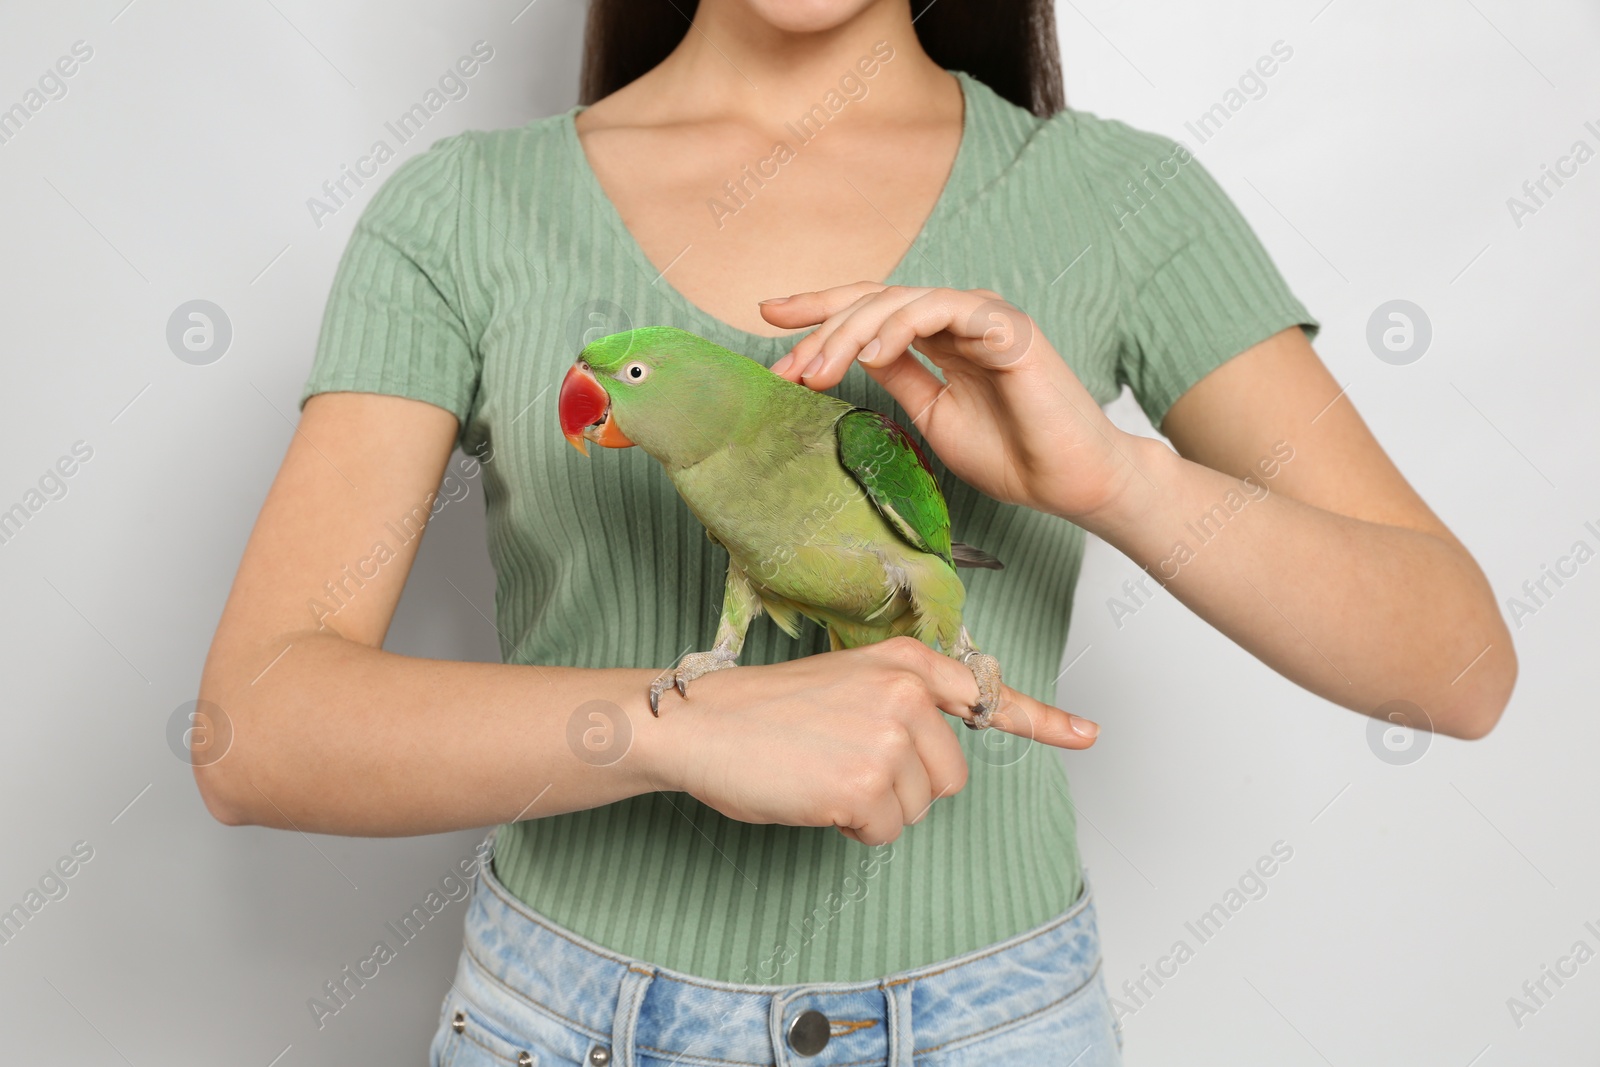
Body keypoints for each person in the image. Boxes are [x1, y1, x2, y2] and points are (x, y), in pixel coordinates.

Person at [195, 1, 1516, 1062]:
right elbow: (253, 734)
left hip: (1003, 1023)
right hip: (564, 1023)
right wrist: (674, 727)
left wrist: (1114, 477)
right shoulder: (461, 214)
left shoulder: (1122, 200)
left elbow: (1456, 671)